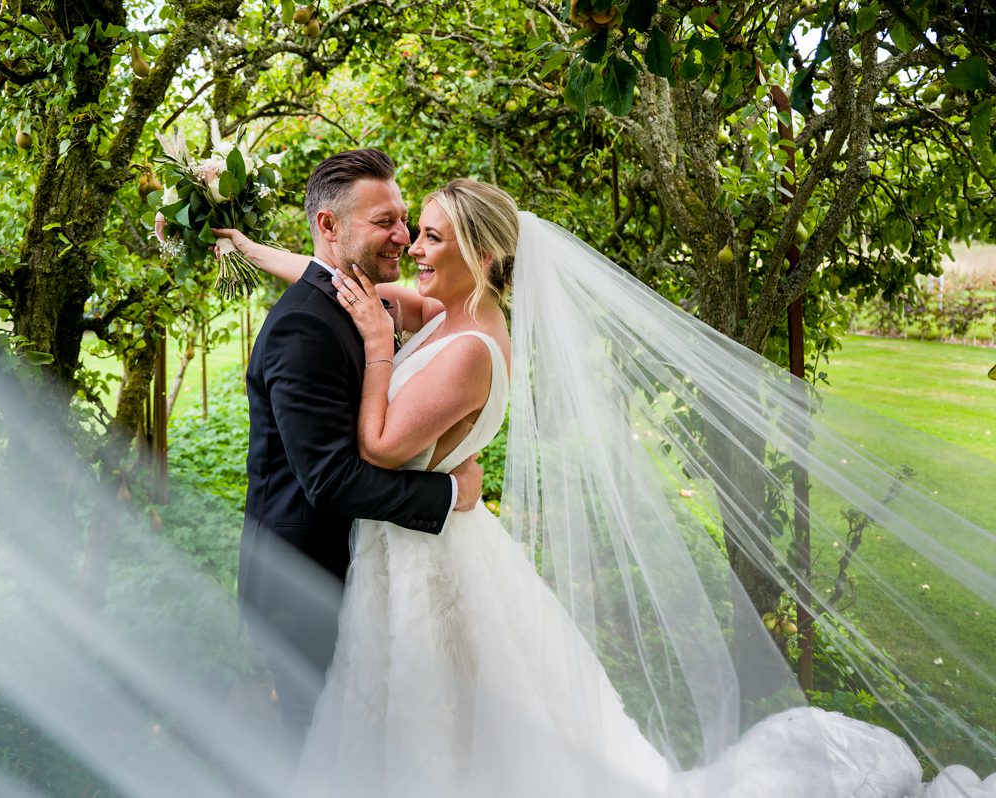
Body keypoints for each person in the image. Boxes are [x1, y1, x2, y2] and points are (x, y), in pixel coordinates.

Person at [221, 179, 996, 796]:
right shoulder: (446, 311)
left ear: (483, 256)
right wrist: (261, 252)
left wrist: (381, 351)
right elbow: (339, 284)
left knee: (446, 724)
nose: (413, 247)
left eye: (430, 235)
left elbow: (381, 443)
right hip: (415, 547)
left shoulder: (467, 346)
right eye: (413, 230)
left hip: (431, 557)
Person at [235, 149, 484, 757]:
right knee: (319, 749)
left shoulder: (354, 296)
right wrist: (451, 493)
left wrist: (251, 248)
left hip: (360, 568)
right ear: (329, 226)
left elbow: (324, 273)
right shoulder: (304, 327)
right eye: (386, 223)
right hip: (305, 582)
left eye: (406, 220)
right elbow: (331, 480)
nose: (402, 237)